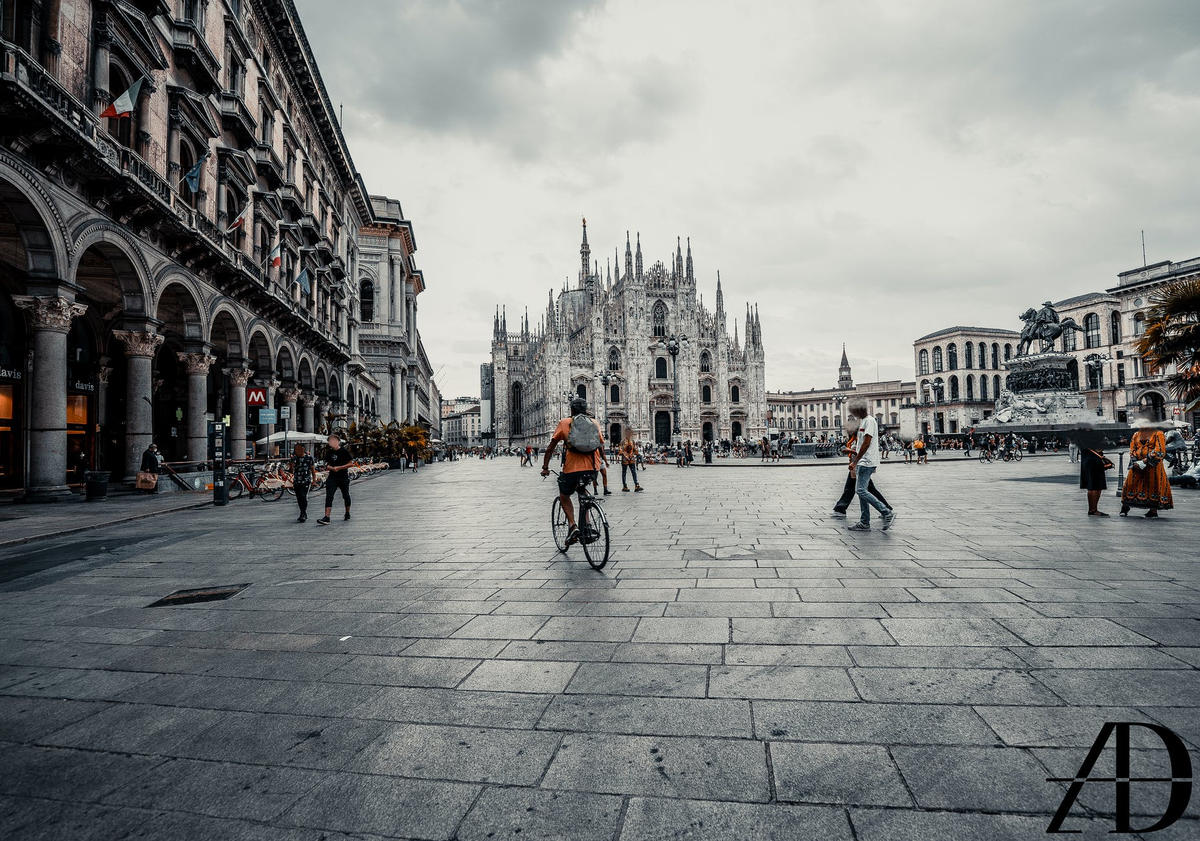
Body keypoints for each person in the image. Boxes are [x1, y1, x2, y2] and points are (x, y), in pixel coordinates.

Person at [541, 396, 604, 546]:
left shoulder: (564, 423)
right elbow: (601, 444)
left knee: (564, 494)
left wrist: (545, 468)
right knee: (583, 491)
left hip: (572, 469)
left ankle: (573, 525)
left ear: (571, 410)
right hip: (592, 467)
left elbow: (550, 448)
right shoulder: (594, 423)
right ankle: (587, 524)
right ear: (586, 409)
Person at [846, 399, 896, 531]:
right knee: (862, 491)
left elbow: (867, 443)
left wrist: (855, 461)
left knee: (860, 490)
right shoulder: (863, 422)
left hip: (866, 462)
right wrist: (851, 451)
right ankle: (864, 522)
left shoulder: (869, 421)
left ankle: (886, 512)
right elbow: (862, 443)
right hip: (863, 461)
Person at [1120, 419, 1173, 518]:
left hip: (1153, 465)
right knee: (1130, 484)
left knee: (1153, 485)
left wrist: (1145, 460)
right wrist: (1135, 460)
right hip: (1137, 465)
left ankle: (1153, 510)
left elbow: (1160, 450)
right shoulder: (1136, 434)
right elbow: (1132, 448)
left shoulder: (1158, 433)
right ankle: (1125, 506)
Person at [316, 434, 353, 525]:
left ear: (338, 441)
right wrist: (330, 467)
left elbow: (351, 463)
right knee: (329, 496)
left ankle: (347, 512)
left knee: (345, 495)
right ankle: (327, 517)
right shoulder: (329, 453)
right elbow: (327, 464)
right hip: (332, 477)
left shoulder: (344, 451)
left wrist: (340, 467)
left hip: (343, 477)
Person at [1074, 428, 1110, 517]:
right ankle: (1093, 509)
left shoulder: (1079, 434)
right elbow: (1101, 446)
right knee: (1096, 485)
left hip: (1086, 461)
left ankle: (1092, 509)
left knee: (1091, 486)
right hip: (1094, 460)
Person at [290, 443, 316, 523]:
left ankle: (303, 513)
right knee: (298, 497)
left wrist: (314, 480)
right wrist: (292, 465)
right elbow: (291, 470)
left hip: (306, 480)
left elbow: (312, 469)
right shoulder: (294, 458)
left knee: (303, 496)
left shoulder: (309, 458)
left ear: (303, 449)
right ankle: (302, 512)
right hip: (297, 480)